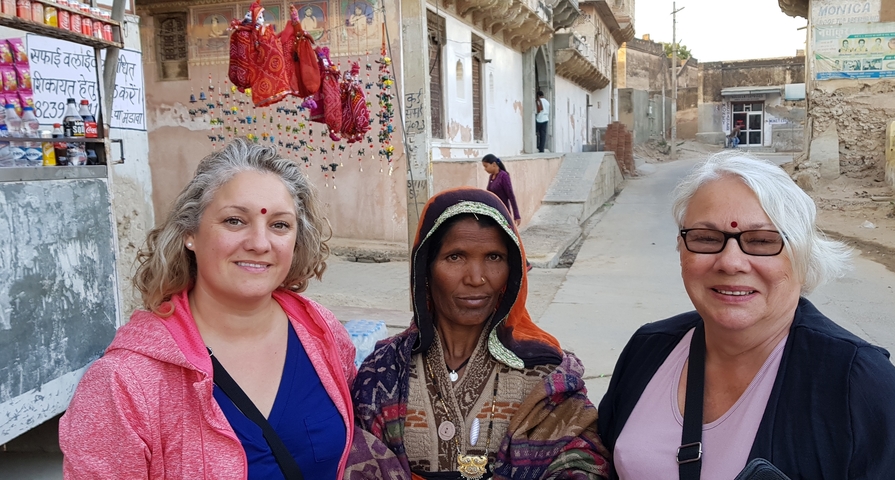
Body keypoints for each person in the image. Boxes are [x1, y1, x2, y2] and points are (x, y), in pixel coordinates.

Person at [597, 153, 895, 479]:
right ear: (681, 249)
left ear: (801, 255)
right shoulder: (650, 350)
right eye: (707, 239)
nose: (730, 262)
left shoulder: (854, 381)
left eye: (761, 241)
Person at [60, 139, 358, 479]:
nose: (259, 243)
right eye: (234, 221)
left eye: (279, 225)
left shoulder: (322, 333)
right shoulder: (124, 383)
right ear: (190, 232)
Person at [345, 187, 609, 479]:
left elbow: (583, 460)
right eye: (456, 257)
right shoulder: (384, 369)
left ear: (513, 269)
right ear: (426, 269)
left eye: (494, 257)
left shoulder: (543, 371)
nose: (476, 278)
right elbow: (355, 459)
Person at [481, 154, 521, 226]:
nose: (485, 169)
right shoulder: (491, 176)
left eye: (486, 166)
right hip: (493, 211)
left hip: (503, 212)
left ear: (493, 164)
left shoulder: (503, 176)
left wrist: (516, 215)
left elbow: (511, 196)